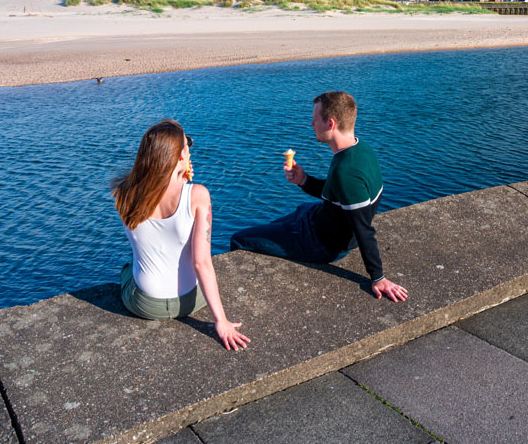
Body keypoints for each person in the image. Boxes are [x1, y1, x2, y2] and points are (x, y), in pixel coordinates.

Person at [231, 91, 408, 302]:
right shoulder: (361, 149)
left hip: (321, 244)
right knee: (287, 218)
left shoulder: (347, 172)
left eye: (315, 120)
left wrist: (378, 277)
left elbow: (363, 229)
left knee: (240, 239)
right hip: (317, 217)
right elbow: (338, 195)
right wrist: (304, 180)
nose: (311, 124)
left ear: (330, 124)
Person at [112, 119, 250, 351]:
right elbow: (201, 262)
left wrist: (178, 178)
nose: (189, 151)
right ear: (178, 156)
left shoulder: (122, 191)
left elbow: (151, 206)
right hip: (190, 301)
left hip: (144, 303)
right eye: (187, 146)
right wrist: (221, 321)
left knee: (128, 269)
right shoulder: (197, 195)